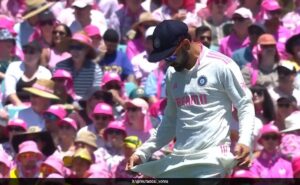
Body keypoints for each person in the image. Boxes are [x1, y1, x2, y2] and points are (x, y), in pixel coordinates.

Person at [126, 20, 254, 178]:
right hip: (179, 159)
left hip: (212, 161)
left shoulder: (222, 65)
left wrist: (245, 140)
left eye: (172, 56)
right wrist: (143, 152)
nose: (169, 63)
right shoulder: (172, 74)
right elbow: (170, 121)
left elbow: (245, 104)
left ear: (186, 44)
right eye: (165, 59)